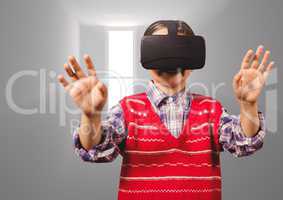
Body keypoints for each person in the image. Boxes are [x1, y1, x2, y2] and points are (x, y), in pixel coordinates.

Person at [57, 20, 274, 200]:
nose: (171, 58)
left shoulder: (211, 109)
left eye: (180, 49)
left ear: (192, 61)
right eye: (161, 48)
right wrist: (91, 115)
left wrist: (248, 105)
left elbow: (244, 142)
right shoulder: (128, 109)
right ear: (148, 59)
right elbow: (95, 148)